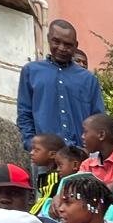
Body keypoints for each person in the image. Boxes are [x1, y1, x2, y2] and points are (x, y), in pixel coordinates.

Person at [16, 20, 104, 151]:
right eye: (56, 41)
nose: (62, 48)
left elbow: (98, 119)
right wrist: (31, 144)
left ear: (76, 46)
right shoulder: (31, 72)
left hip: (80, 156)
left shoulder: (88, 79)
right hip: (46, 157)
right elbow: (24, 114)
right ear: (48, 39)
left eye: (68, 44)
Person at [76, 114, 113, 192]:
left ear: (101, 135)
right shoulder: (87, 164)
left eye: (85, 132)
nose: (82, 136)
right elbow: (78, 187)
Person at [29, 133, 65, 214]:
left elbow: (45, 199)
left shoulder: (55, 176)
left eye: (36, 150)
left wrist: (32, 215)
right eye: (32, 149)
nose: (31, 153)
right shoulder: (45, 175)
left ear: (52, 155)